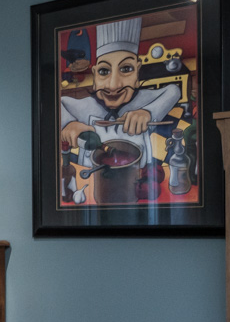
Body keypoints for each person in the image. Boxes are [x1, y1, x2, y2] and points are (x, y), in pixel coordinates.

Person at [59, 17, 181, 203]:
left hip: (135, 188)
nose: (113, 85)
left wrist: (148, 112)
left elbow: (174, 91)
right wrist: (69, 124)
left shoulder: (143, 99)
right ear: (94, 75)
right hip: (92, 189)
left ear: (137, 72)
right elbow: (58, 103)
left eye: (126, 69)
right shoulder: (87, 106)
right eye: (104, 72)